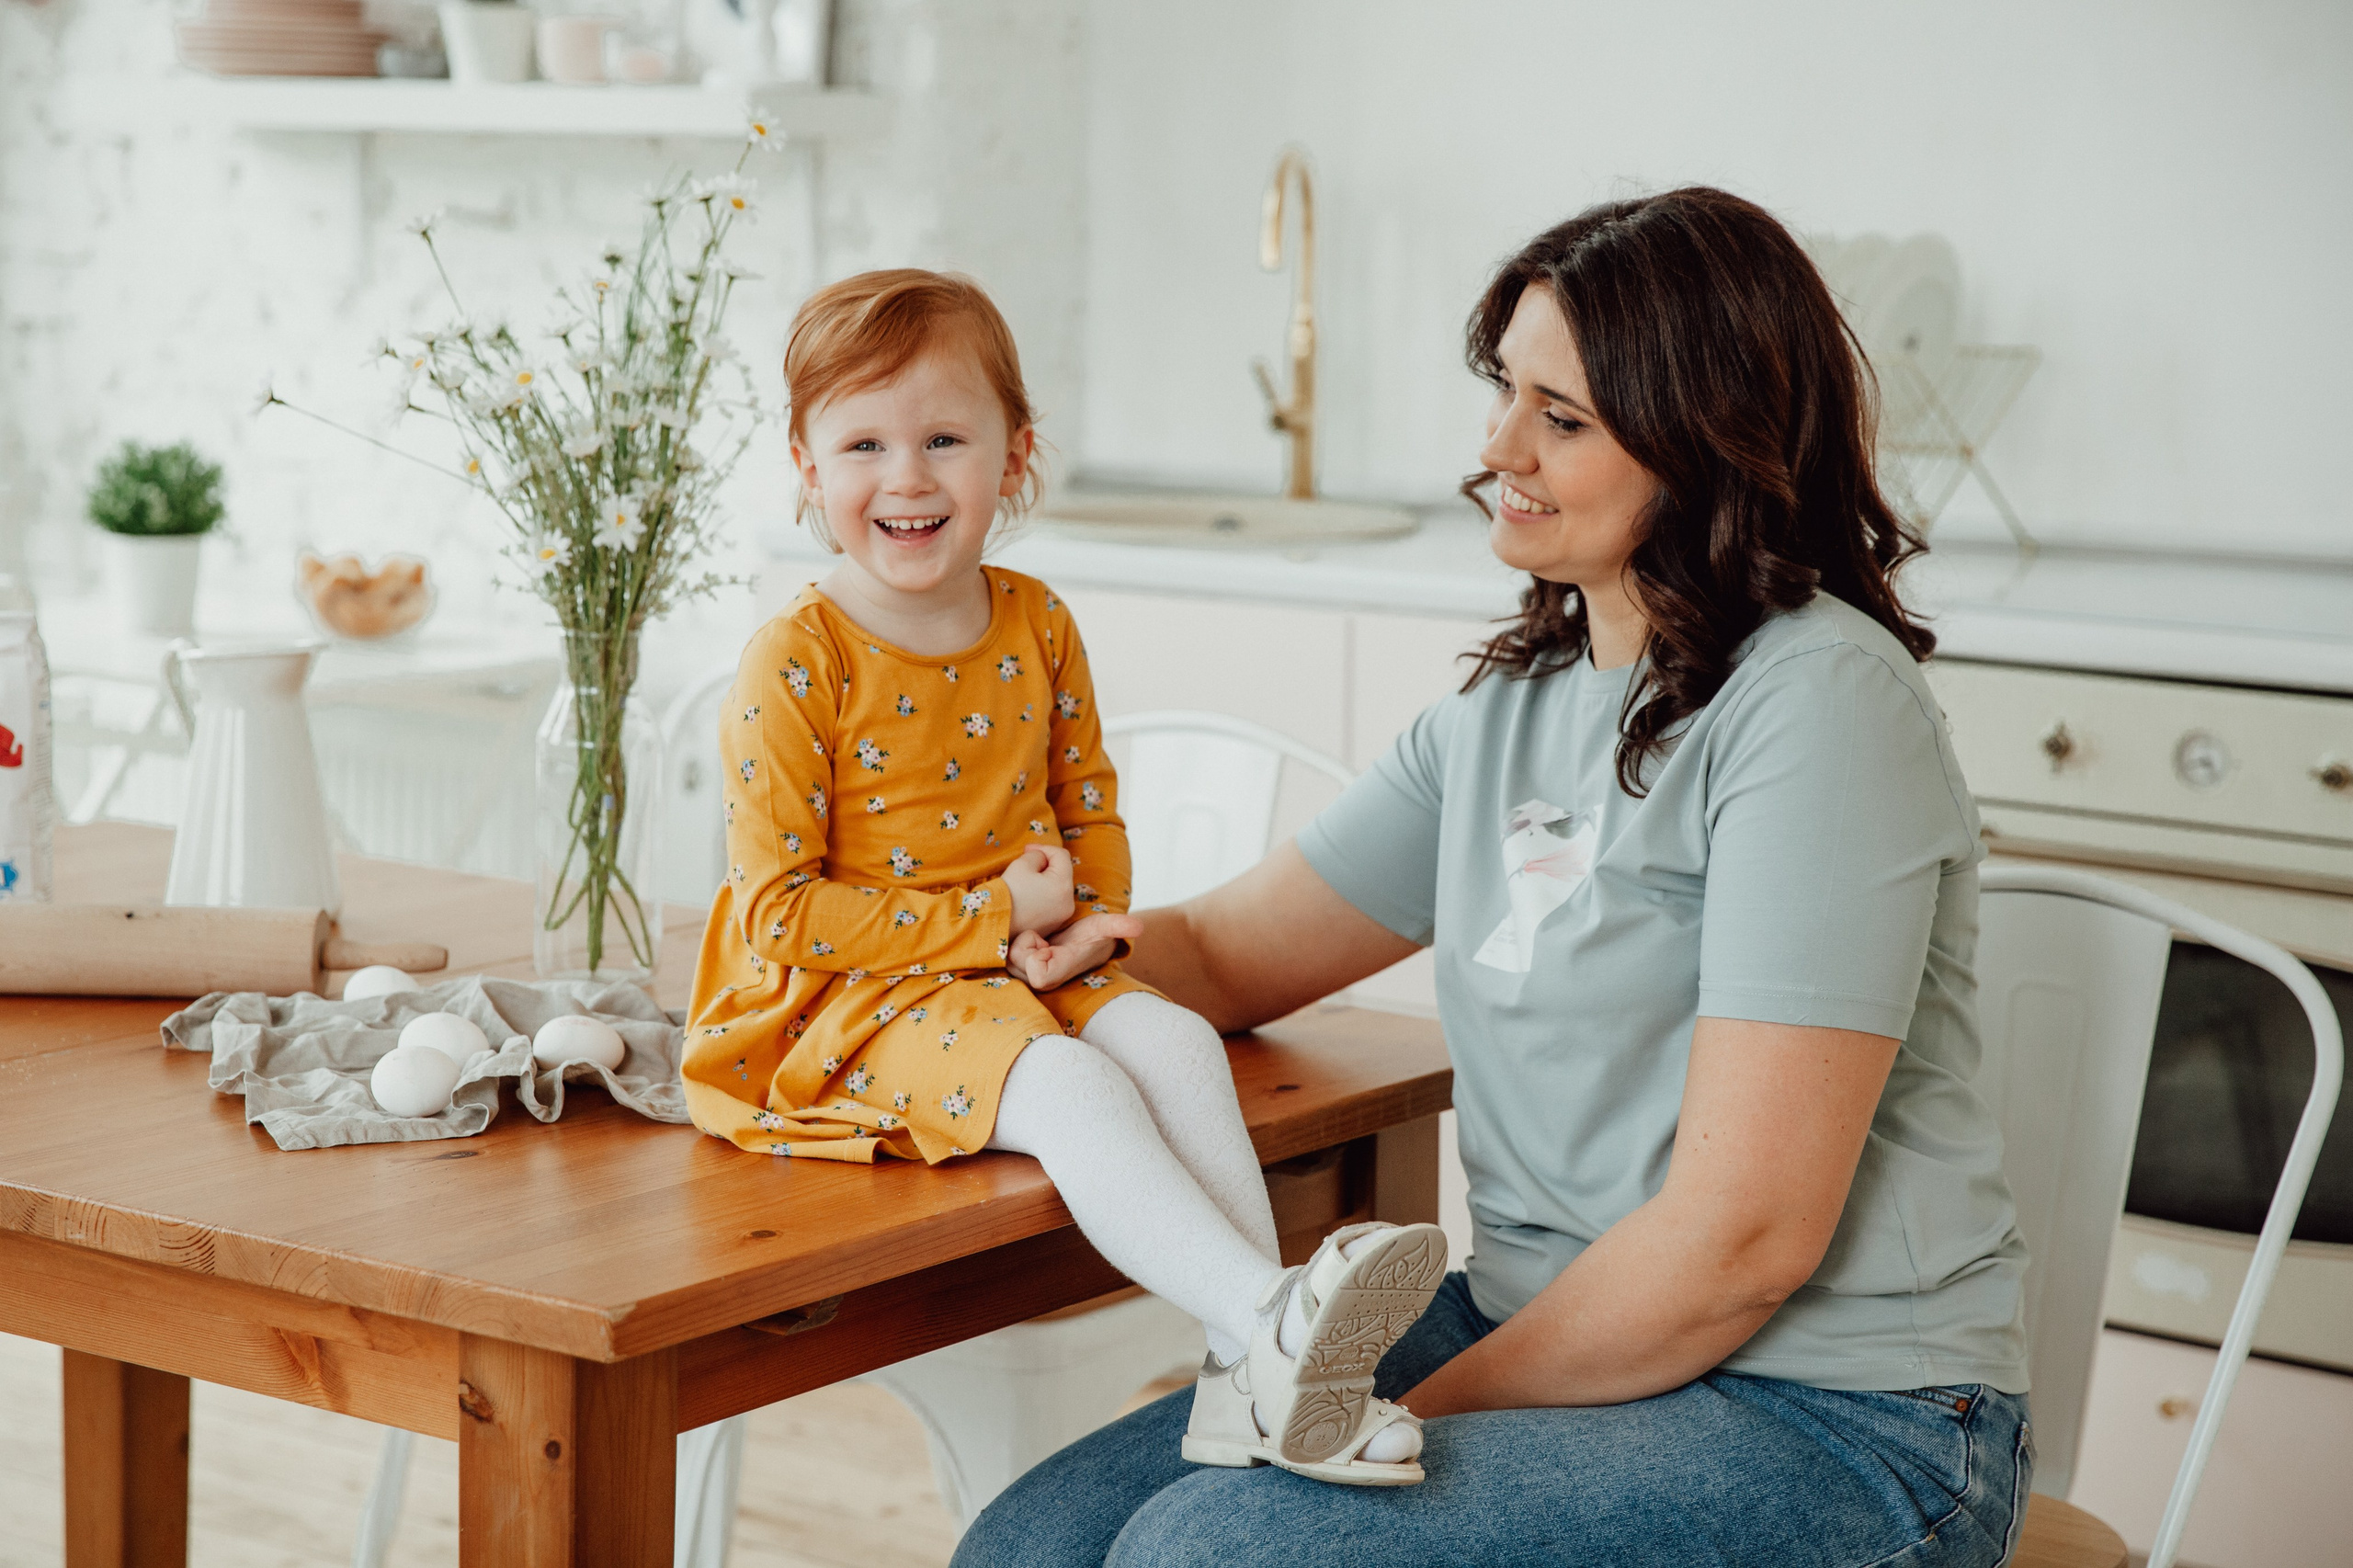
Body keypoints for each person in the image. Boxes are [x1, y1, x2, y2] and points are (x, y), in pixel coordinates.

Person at [954, 188, 2034, 1567]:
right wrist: (963, 959)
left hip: (1843, 1416)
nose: (1498, 449)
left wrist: (1379, 1412)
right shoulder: (1511, 712)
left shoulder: (1817, 700)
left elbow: (1739, 1244)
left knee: (1219, 1546)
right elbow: (1227, 953)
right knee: (1030, 1544)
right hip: (1544, 1327)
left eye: (1562, 418)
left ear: (1707, 444)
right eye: (1504, 392)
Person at [681, 269, 1449, 1488]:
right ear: (807, 463)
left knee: (1182, 1046)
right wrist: (994, 918)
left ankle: (1237, 1383)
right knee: (1076, 1090)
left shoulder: (1035, 621)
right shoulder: (797, 656)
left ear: (1015, 454)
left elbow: (1088, 803)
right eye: (864, 442)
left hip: (1025, 967)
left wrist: (1084, 932)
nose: (910, 476)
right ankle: (1274, 1323)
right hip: (857, 998)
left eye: (946, 438)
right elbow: (778, 913)